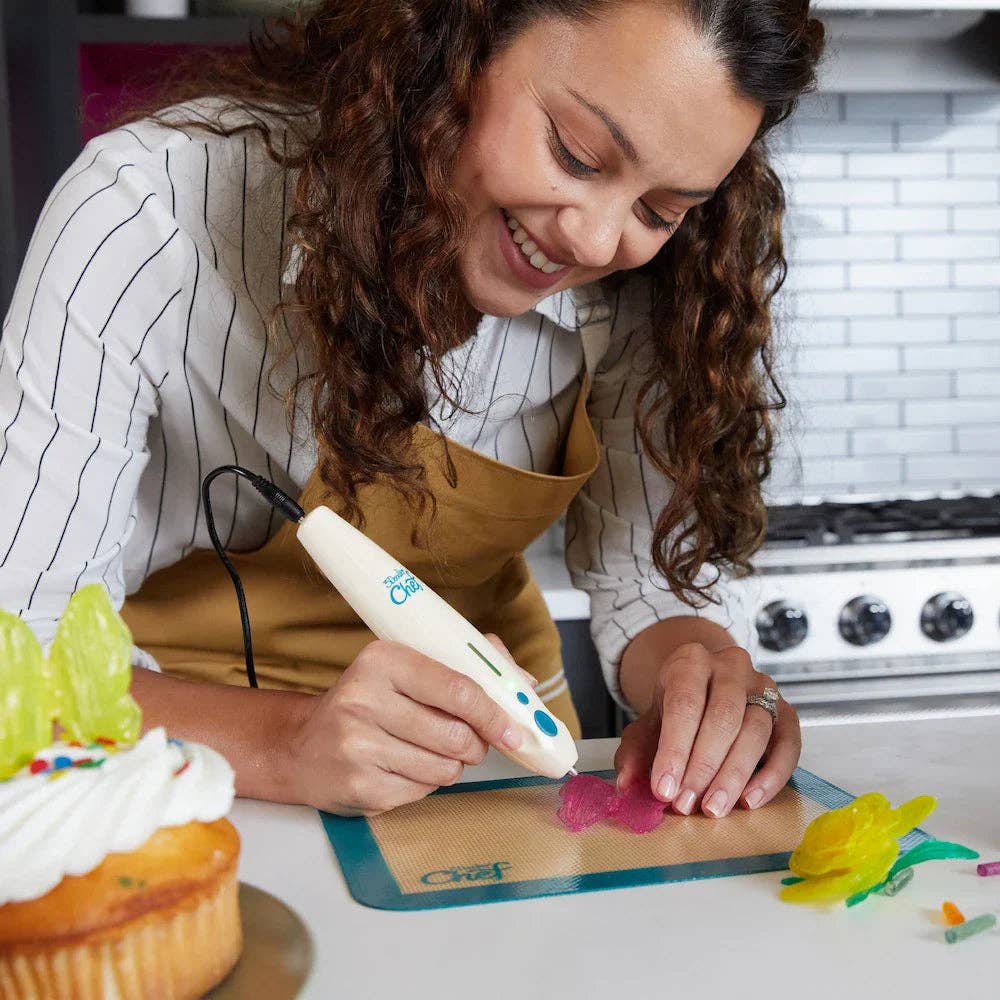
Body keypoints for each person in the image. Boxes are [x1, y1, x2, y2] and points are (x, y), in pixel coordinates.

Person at [0, 0, 823, 818]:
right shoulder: (146, 211)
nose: (596, 242)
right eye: (576, 155)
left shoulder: (644, 287)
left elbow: (647, 579)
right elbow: (16, 651)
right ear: (457, 41)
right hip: (168, 760)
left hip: (490, 778)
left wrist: (702, 678)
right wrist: (287, 743)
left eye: (660, 212)